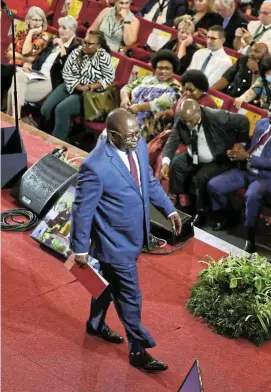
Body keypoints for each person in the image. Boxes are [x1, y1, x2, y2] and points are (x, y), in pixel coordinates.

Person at [70, 108, 181, 372]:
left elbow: (148, 183)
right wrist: (80, 249)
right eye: (128, 136)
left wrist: (170, 209)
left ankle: (95, 324)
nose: (135, 140)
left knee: (107, 285)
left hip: (135, 234)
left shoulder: (139, 144)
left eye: (137, 133)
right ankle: (139, 350)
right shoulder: (95, 166)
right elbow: (82, 209)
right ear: (111, 135)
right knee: (130, 295)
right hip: (113, 242)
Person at [208, 99, 271, 253]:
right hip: (245, 169)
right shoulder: (262, 123)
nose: (269, 114)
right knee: (214, 185)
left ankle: (250, 237)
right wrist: (240, 148)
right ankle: (229, 216)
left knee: (252, 196)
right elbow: (252, 143)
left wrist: (248, 157)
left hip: (266, 176)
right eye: (269, 110)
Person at [161, 99, 250, 224]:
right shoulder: (182, 118)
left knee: (201, 177)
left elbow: (243, 121)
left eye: (190, 120)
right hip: (195, 154)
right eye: (184, 121)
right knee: (176, 165)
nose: (187, 124)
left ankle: (202, 211)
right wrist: (165, 162)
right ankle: (183, 203)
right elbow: (173, 140)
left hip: (219, 157)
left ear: (199, 112)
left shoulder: (217, 116)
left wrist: (240, 143)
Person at [40, 31, 115, 142]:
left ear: (98, 46)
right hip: (71, 85)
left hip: (89, 95)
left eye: (90, 43)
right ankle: (51, 134)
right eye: (84, 42)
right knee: (46, 108)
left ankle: (55, 143)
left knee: (62, 109)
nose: (85, 45)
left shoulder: (104, 57)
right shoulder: (77, 51)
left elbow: (108, 78)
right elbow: (66, 72)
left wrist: (91, 86)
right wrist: (77, 85)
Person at [6, 16, 80, 120]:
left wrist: (61, 46)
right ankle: (15, 117)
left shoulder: (76, 47)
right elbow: (40, 59)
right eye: (59, 27)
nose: (60, 30)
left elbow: (65, 67)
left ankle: (10, 118)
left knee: (12, 91)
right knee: (18, 75)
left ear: (72, 30)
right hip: (37, 74)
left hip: (50, 80)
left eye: (64, 28)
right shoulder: (53, 41)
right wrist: (30, 65)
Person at [120, 49, 182, 141]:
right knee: (111, 128)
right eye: (160, 68)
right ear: (155, 68)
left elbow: (159, 104)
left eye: (167, 68)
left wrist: (138, 107)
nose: (163, 71)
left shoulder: (175, 87)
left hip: (149, 123)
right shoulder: (147, 78)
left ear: (173, 70)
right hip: (130, 113)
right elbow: (126, 88)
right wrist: (125, 99)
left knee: (122, 135)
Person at [1, 6, 48, 102]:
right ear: (28, 20)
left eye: (40, 20)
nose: (38, 23)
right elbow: (9, 52)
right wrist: (23, 57)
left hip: (26, 70)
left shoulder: (43, 37)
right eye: (35, 20)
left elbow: (29, 55)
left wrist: (31, 33)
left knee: (2, 69)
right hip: (12, 66)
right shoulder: (21, 33)